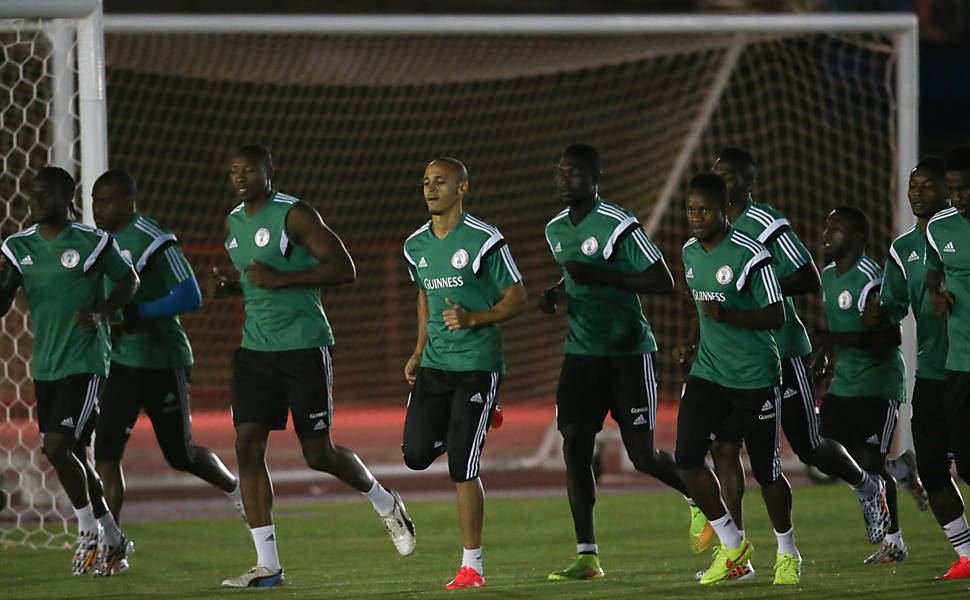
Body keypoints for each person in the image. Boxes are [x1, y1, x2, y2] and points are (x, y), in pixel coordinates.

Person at [209, 144, 415, 588]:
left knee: (317, 453)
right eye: (234, 171)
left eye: (250, 170)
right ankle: (268, 566)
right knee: (247, 445)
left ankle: (384, 502)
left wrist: (281, 279)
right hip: (255, 352)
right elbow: (256, 281)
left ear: (270, 171)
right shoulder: (232, 222)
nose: (241, 177)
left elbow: (345, 269)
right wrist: (234, 288)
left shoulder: (295, 215)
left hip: (304, 348)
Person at [698, 147, 889, 576]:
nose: (724, 184)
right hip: (732, 360)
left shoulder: (767, 223)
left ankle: (866, 484)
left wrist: (754, 286)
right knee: (723, 448)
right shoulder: (709, 231)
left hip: (780, 352)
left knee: (808, 447)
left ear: (750, 183)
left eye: (731, 178)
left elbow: (807, 275)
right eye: (718, 176)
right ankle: (736, 557)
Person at [539, 144, 688, 581]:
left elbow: (662, 280)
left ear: (595, 176)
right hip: (581, 356)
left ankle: (700, 498)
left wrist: (600, 275)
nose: (564, 179)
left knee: (642, 456)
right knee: (575, 448)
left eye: (574, 172)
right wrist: (556, 294)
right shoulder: (555, 229)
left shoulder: (620, 224)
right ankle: (587, 555)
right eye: (560, 171)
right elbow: (576, 278)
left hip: (627, 354)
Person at [91, 169, 245, 559]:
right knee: (106, 454)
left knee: (181, 455)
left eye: (106, 201)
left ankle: (236, 489)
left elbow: (191, 296)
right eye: (94, 201)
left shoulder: (155, 239)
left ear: (129, 202)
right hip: (120, 363)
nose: (97, 209)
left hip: (162, 361)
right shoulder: (96, 241)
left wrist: (138, 313)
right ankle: (113, 546)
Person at [0, 167, 139, 576]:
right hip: (46, 364)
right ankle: (112, 536)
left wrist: (102, 313)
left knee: (58, 447)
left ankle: (87, 533)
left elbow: (128, 281)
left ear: (66, 198)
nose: (35, 200)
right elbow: (6, 295)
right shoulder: (17, 246)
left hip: (87, 362)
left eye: (45, 194)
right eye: (32, 194)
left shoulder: (93, 243)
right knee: (72, 453)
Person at [402, 157, 527, 589]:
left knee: (462, 464)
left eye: (440, 181)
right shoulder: (415, 244)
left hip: (477, 366)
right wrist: (419, 349)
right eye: (425, 182)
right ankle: (472, 425)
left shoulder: (484, 240)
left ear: (462, 189)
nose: (431, 188)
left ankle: (472, 567)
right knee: (415, 455)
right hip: (436, 365)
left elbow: (517, 298)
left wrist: (474, 318)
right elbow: (422, 296)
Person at [676, 173, 800, 585]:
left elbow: (776, 314)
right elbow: (702, 306)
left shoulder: (751, 254)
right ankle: (733, 546)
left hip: (754, 377)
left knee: (767, 472)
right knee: (687, 459)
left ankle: (787, 552)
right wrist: (691, 342)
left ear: (725, 210)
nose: (696, 217)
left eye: (704, 210)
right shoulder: (690, 252)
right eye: (691, 209)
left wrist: (728, 315)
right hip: (709, 373)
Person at [814, 205, 907, 564]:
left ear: (856, 238)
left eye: (834, 229)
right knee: (819, 447)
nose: (826, 235)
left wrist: (828, 339)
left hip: (879, 383)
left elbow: (889, 337)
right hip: (845, 382)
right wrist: (828, 351)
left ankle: (894, 542)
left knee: (871, 460)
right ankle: (893, 474)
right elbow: (841, 331)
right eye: (826, 226)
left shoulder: (871, 277)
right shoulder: (827, 276)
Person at [923, 147, 970, 578]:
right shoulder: (940, 228)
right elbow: (935, 272)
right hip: (959, 364)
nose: (958, 196)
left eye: (964, 188)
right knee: (967, 464)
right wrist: (939, 295)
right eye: (953, 189)